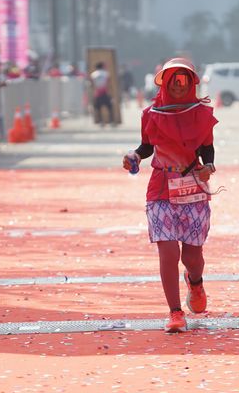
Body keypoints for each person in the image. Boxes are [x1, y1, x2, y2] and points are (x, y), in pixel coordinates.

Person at [122, 57, 218, 333]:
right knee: (168, 252)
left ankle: (195, 282)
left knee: (192, 257)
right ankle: (175, 312)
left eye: (183, 79)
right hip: (161, 189)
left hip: (192, 189)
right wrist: (134, 156)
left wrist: (209, 165)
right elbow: (146, 146)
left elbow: (207, 148)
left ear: (191, 83)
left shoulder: (201, 114)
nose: (178, 85)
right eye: (172, 80)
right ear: (164, 82)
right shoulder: (150, 114)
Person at [90, 61, 114, 126]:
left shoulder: (93, 74)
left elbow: (92, 85)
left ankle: (101, 122)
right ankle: (111, 121)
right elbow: (109, 84)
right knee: (110, 107)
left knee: (98, 108)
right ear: (102, 66)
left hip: (97, 93)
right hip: (105, 92)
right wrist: (111, 93)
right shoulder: (106, 73)